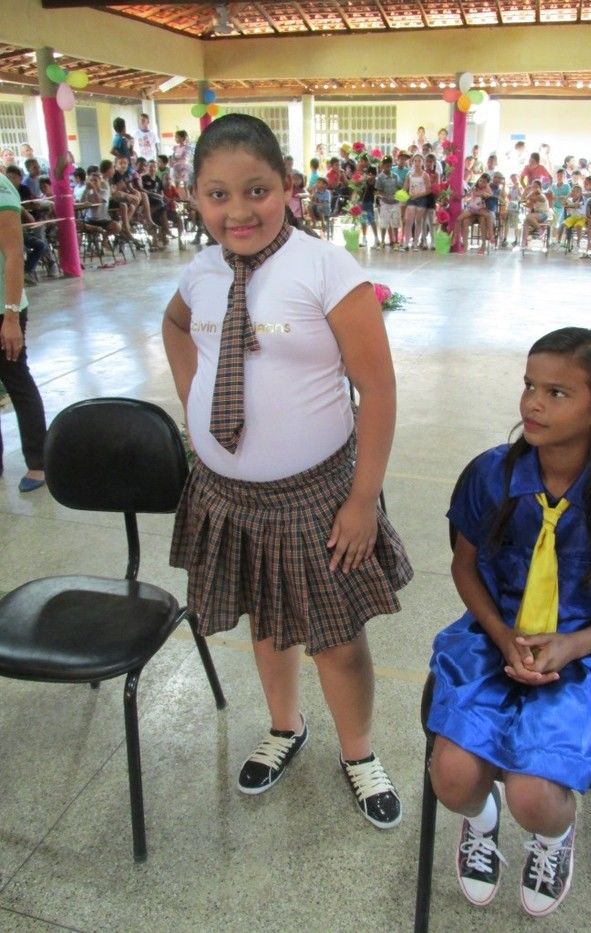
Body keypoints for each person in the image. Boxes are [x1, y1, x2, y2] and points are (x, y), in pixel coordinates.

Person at [162, 113, 413, 830]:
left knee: (334, 636)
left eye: (256, 190)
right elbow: (175, 326)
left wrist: (363, 498)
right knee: (268, 624)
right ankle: (284, 725)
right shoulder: (202, 270)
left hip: (318, 496)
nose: (238, 211)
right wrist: (194, 402)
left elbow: (380, 388)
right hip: (227, 494)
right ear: (196, 198)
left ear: (288, 188)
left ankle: (360, 752)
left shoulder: (326, 268)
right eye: (217, 195)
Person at [428, 326, 591, 918]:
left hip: (583, 653)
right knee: (454, 779)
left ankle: (551, 837)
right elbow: (464, 568)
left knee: (535, 796)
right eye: (530, 386)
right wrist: (499, 636)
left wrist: (570, 645)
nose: (533, 404)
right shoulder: (489, 476)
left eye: (558, 393)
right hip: (491, 637)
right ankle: (480, 824)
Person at [0, 170, 47, 493]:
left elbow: (15, 253)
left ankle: (39, 463)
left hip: (5, 308)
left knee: (16, 378)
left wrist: (11, 316)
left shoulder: (2, 188)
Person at [376, 156, 401, 250]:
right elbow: (378, 191)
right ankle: (382, 241)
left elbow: (400, 187)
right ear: (382, 165)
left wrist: (398, 194)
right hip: (385, 203)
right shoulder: (380, 177)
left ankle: (396, 242)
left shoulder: (395, 176)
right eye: (386, 164)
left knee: (395, 223)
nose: (388, 166)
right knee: (383, 223)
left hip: (395, 203)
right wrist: (385, 195)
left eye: (389, 164)